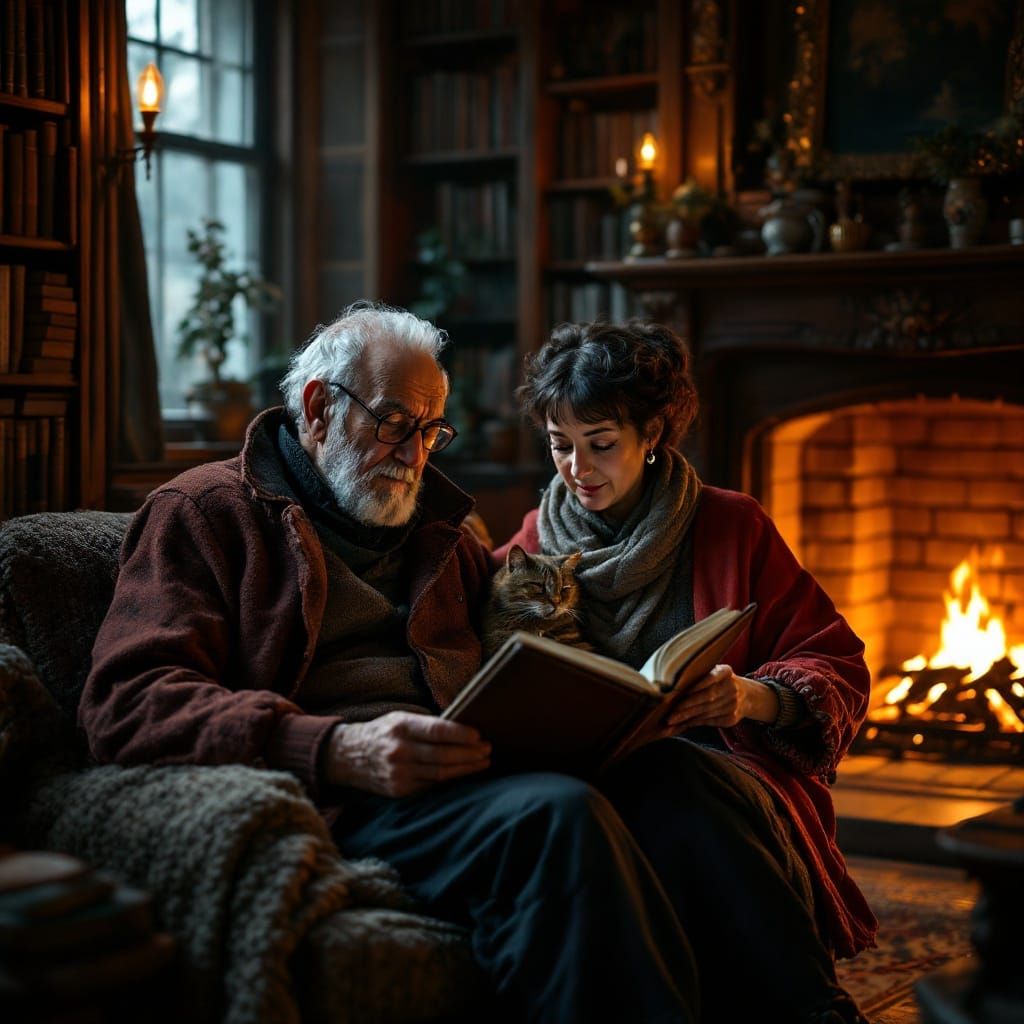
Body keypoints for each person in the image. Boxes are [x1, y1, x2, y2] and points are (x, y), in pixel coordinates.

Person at [81, 301, 872, 1023]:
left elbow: (507, 667)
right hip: (348, 788)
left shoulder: (449, 537)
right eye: (396, 423)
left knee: (679, 774)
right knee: (556, 818)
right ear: (319, 409)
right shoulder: (205, 514)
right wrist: (333, 747)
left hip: (466, 767)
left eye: (432, 431)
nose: (416, 453)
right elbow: (127, 699)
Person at [495, 318, 878, 1022]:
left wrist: (750, 699)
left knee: (669, 777)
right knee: (626, 796)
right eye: (560, 446)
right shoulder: (527, 548)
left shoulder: (732, 524)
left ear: (653, 435)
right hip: (585, 782)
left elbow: (838, 663)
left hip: (721, 775)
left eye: (601, 444)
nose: (578, 468)